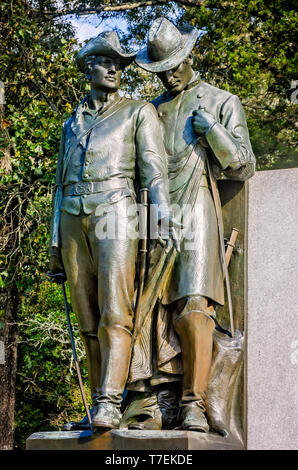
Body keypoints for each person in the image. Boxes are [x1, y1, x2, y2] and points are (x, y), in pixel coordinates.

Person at [127, 17, 255, 432]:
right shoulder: (152, 111)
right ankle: (154, 403)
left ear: (188, 57)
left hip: (198, 202)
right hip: (155, 213)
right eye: (159, 70)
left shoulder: (222, 100)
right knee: (147, 311)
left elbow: (243, 166)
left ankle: (194, 405)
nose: (167, 75)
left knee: (194, 305)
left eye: (173, 66)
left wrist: (213, 130)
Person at [48, 30, 176, 430]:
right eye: (107, 62)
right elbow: (58, 185)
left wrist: (165, 215)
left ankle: (108, 402)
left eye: (120, 64)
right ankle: (98, 404)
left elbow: (154, 171)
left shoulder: (139, 111)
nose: (115, 69)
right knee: (87, 319)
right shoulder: (72, 122)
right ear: (89, 68)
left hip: (116, 212)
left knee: (114, 313)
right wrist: (54, 242)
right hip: (72, 216)